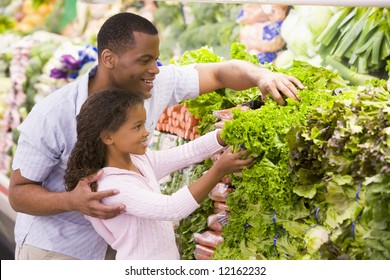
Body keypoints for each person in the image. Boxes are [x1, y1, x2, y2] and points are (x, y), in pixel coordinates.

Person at [8, 12, 304, 260]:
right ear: (109, 58)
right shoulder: (52, 114)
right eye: (144, 60)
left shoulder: (149, 86)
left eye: (156, 59)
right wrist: (73, 201)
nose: (154, 69)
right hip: (56, 250)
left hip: (118, 246)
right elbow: (19, 193)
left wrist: (261, 76)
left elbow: (220, 73)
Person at [64, 88, 253, 259]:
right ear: (107, 137)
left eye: (144, 124)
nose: (146, 132)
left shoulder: (139, 161)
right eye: (137, 127)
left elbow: (189, 153)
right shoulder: (113, 187)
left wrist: (225, 133)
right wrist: (219, 169)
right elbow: (172, 208)